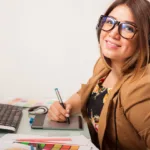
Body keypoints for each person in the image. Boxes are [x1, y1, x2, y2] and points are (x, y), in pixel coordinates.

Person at [48, 0, 150, 149]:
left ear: (146, 38)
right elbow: (87, 94)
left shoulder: (141, 88)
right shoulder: (105, 65)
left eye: (128, 28)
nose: (113, 33)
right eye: (110, 22)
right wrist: (64, 108)